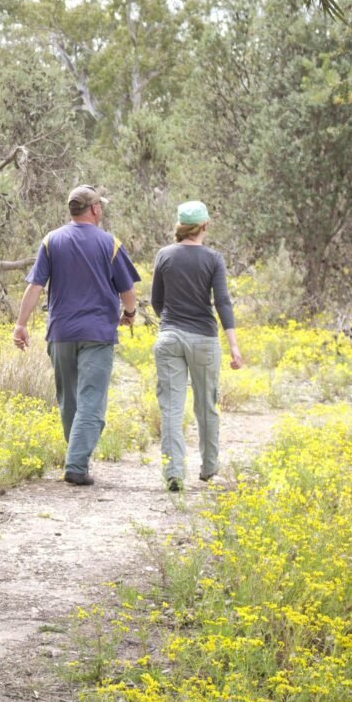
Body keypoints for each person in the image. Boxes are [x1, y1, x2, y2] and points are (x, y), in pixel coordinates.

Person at [13, 184, 140, 487]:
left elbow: (35, 286)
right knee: (91, 400)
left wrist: (20, 323)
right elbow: (127, 291)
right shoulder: (109, 243)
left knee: (68, 399)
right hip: (97, 333)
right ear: (95, 209)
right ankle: (77, 463)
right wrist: (130, 314)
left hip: (61, 332)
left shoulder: (51, 241)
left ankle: (76, 457)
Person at [149, 200, 243, 492]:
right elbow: (222, 302)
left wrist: (169, 321)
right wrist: (234, 346)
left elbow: (156, 301)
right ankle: (209, 467)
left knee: (171, 409)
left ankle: (174, 472)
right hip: (203, 338)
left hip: (170, 337)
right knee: (206, 405)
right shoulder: (213, 259)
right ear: (204, 225)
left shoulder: (164, 255)